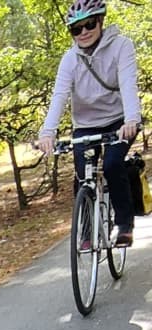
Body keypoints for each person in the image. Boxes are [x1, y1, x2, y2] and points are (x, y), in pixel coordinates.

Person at [36, 2, 142, 247]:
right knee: (83, 175)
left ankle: (124, 225)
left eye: (89, 24)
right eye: (76, 28)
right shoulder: (69, 59)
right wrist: (47, 132)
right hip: (85, 125)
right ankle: (85, 232)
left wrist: (132, 120)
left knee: (114, 164)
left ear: (101, 22)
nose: (83, 32)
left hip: (119, 121)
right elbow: (60, 95)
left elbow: (128, 84)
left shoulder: (121, 46)